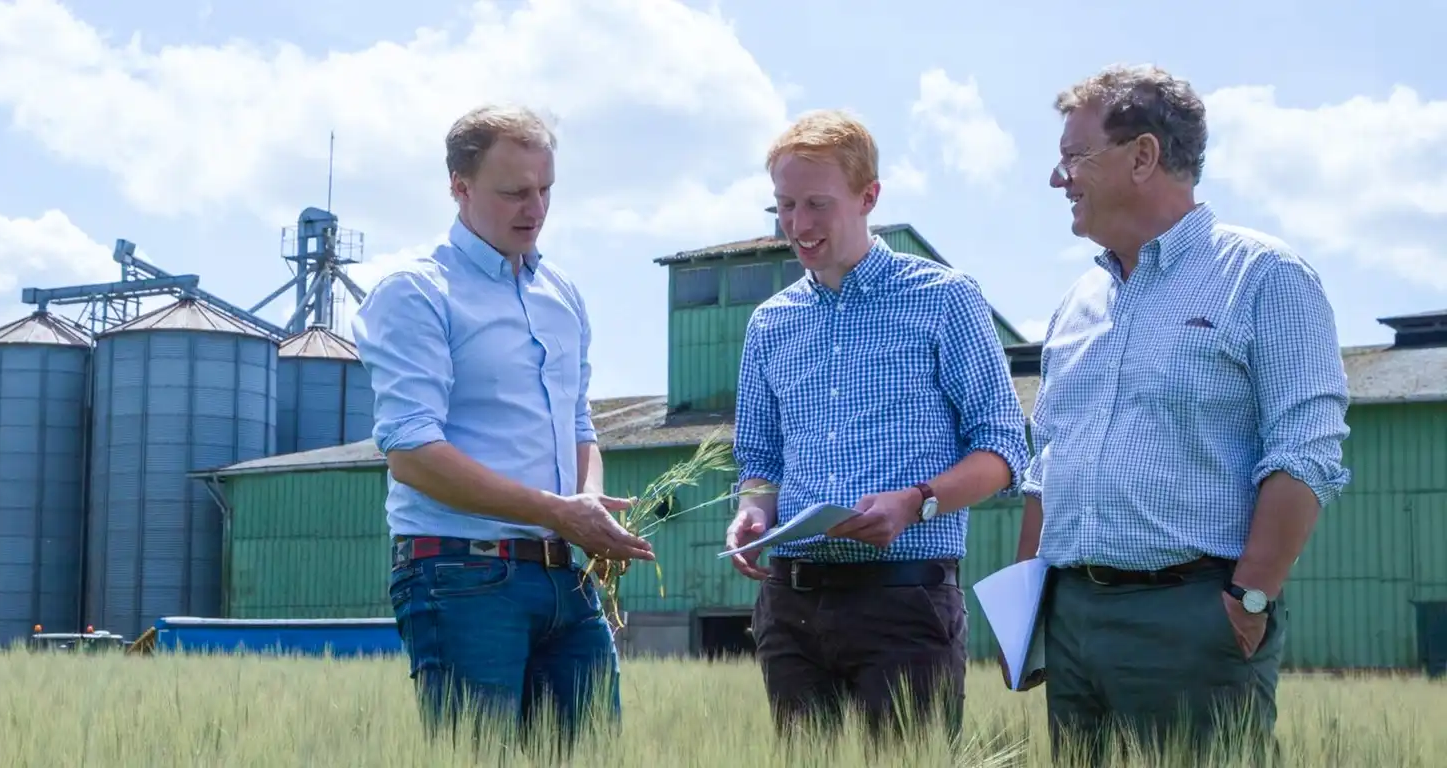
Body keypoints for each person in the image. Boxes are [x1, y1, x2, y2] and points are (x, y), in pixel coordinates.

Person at [1017, 63, 1352, 765]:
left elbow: (1307, 452)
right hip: (1072, 619)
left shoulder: (1264, 277)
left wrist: (1248, 600)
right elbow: (1045, 462)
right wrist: (1027, 616)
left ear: (1143, 156)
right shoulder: (1075, 303)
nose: (1058, 179)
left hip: (1194, 619)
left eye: (1073, 157)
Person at [350, 103, 654, 755]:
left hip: (564, 577)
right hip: (461, 575)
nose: (534, 207)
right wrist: (560, 511)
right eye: (514, 192)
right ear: (459, 187)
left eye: (545, 189)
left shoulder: (562, 294)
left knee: (596, 753)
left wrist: (589, 500)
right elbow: (412, 453)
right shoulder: (416, 292)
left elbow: (577, 420)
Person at [723, 108, 1031, 743]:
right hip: (791, 604)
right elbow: (760, 459)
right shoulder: (768, 324)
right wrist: (753, 509)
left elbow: (1004, 450)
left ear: (869, 197)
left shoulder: (945, 299)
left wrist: (916, 504)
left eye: (817, 204)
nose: (798, 226)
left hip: (904, 603)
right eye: (784, 205)